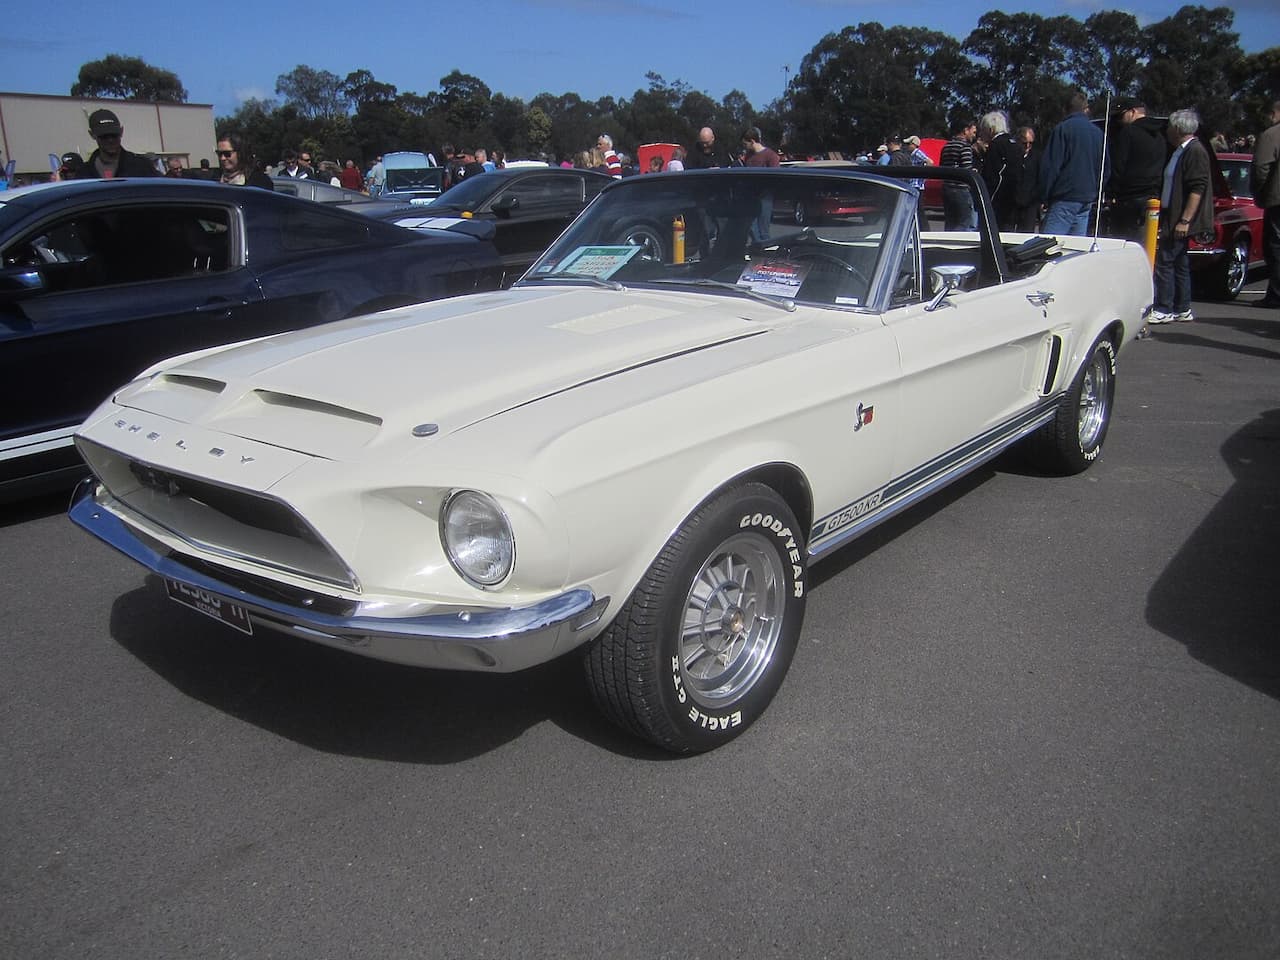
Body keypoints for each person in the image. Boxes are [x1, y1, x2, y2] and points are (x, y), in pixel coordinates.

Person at [1150, 109, 1213, 324]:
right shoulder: (1180, 150)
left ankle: (1164, 307)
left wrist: (1185, 220)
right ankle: (1182, 307)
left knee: (1165, 261)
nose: (1167, 131)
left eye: (1169, 127)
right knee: (1180, 262)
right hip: (1171, 213)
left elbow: (1197, 188)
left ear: (1177, 128)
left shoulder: (1195, 151)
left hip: (1179, 217)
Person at [1037, 91, 1108, 236]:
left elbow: (1051, 167)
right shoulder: (1098, 133)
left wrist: (1044, 195)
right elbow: (1105, 170)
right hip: (1086, 199)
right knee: (1076, 248)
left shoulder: (1062, 129)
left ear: (1065, 109)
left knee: (1049, 245)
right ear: (1085, 108)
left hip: (1064, 198)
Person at [1106, 99, 1165, 243]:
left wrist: (1111, 193)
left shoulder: (1128, 132)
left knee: (1124, 245)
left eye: (1121, 116)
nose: (1119, 121)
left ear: (1132, 112)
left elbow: (1118, 166)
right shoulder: (1160, 136)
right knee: (1145, 244)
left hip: (1128, 201)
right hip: (1152, 199)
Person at [1249, 100, 1280, 308]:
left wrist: (1259, 192)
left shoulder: (1271, 135)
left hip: (1277, 199)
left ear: (1273, 113)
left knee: (1275, 246)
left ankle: (1276, 294)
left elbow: (1261, 168)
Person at [74, 109, 160, 179]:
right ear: (92, 134)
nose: (110, 140)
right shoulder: (83, 173)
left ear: (122, 131)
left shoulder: (142, 166)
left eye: (114, 135)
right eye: (104, 136)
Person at [978, 111, 1021, 231]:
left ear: (990, 129)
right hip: (1014, 199)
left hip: (998, 201)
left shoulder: (996, 145)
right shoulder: (1015, 145)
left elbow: (992, 175)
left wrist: (986, 200)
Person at [940, 118, 978, 230]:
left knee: (950, 222)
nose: (974, 135)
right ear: (966, 130)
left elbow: (943, 167)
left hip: (947, 189)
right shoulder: (965, 147)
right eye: (973, 132)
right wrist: (974, 172)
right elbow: (966, 171)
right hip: (961, 190)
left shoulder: (946, 147)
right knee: (964, 223)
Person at [1010, 127, 1041, 233]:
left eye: (1030, 143)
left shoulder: (1037, 157)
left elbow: (1040, 178)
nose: (1027, 146)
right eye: (1024, 143)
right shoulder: (1012, 156)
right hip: (1013, 202)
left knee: (1027, 234)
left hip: (1030, 203)